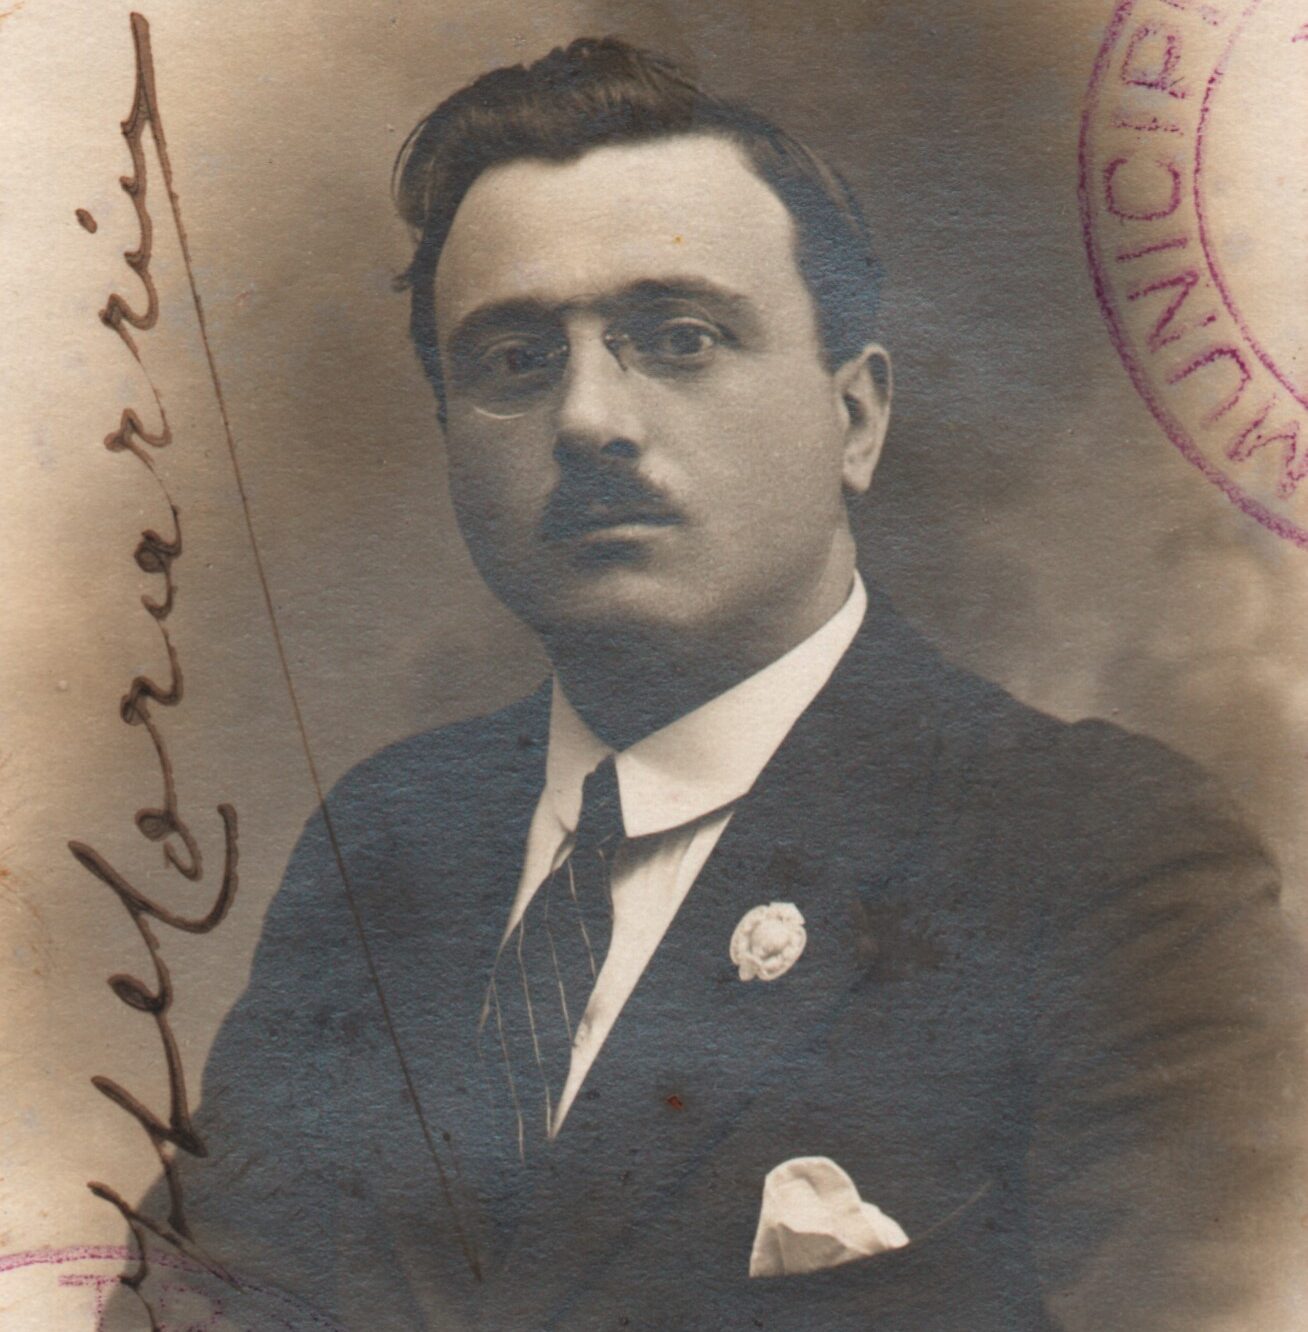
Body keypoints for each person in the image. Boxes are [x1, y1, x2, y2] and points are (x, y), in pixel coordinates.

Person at [106, 37, 1305, 1332]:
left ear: (856, 418)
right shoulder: (390, 844)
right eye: (515, 361)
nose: (588, 419)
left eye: (679, 339)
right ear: (451, 439)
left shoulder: (1100, 859)